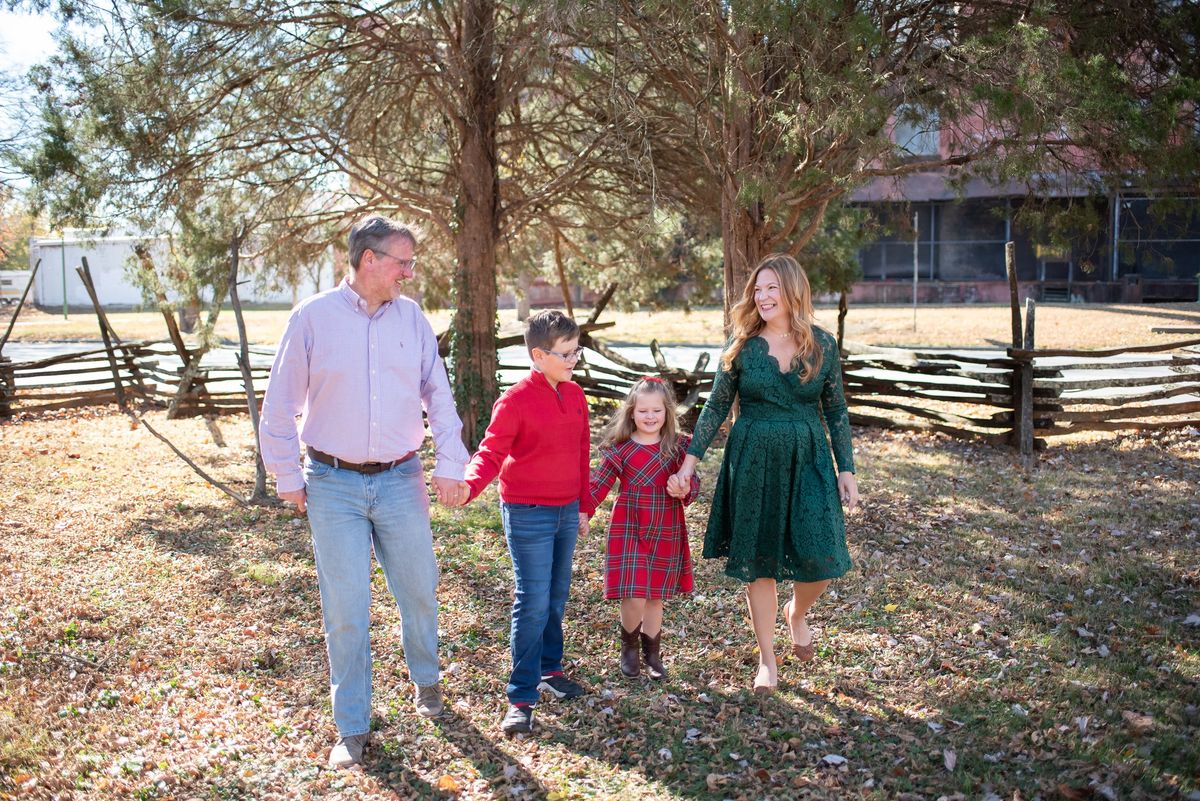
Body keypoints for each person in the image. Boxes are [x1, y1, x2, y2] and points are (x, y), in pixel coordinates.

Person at [258, 214, 471, 769]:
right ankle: (351, 726)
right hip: (332, 483)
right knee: (346, 609)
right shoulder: (312, 318)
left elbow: (438, 396)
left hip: (402, 478)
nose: (410, 271)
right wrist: (286, 475)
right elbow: (279, 404)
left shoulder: (413, 319)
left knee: (420, 591)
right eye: (402, 261)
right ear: (369, 259)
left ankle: (427, 682)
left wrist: (451, 462)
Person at [669, 253, 859, 695]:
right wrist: (689, 462)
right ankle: (767, 660)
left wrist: (845, 467)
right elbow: (717, 406)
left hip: (808, 455)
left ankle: (798, 613)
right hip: (752, 457)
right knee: (760, 564)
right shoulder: (742, 346)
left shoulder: (822, 345)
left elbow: (835, 408)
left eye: (772, 287)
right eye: (758, 289)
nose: (763, 296)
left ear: (793, 291)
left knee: (823, 552)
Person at [463, 309, 594, 735]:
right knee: (533, 601)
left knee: (556, 598)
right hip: (527, 513)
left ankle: (550, 671)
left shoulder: (575, 396)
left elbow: (581, 454)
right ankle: (521, 697)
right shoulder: (515, 400)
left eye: (577, 351)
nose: (574, 360)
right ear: (538, 355)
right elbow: (491, 451)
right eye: (566, 354)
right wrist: (469, 486)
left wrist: (583, 504)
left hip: (566, 512)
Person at [587, 376, 700, 681]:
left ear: (668, 413)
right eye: (643, 411)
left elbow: (692, 485)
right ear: (631, 412)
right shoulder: (620, 448)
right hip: (629, 523)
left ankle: (652, 654)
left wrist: (683, 489)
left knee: (654, 595)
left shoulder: (677, 447)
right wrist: (584, 510)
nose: (650, 417)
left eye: (657, 411)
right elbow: (599, 484)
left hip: (665, 523)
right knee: (634, 592)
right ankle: (629, 647)